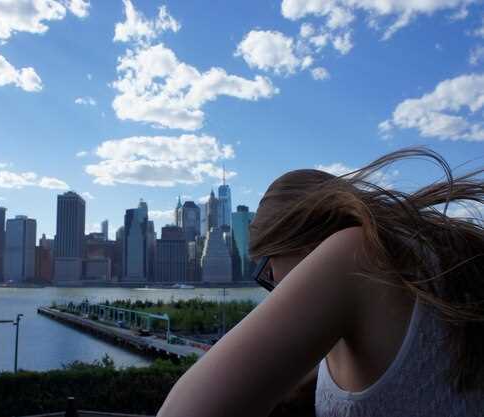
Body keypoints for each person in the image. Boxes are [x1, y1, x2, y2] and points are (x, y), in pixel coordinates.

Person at [157, 148, 484, 417]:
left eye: (267, 262)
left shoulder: (357, 254)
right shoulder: (420, 267)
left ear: (297, 242)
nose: (270, 277)